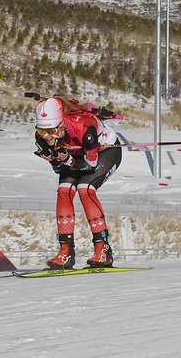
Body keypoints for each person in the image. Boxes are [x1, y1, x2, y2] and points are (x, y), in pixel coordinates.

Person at [33, 95, 123, 269]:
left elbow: (89, 167)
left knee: (85, 189)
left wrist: (65, 160)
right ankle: (66, 252)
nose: (46, 136)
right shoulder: (42, 135)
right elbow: (59, 169)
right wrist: (54, 159)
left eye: (51, 131)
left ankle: (103, 249)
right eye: (42, 131)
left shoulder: (84, 127)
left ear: (61, 124)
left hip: (105, 151)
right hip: (75, 156)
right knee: (64, 191)